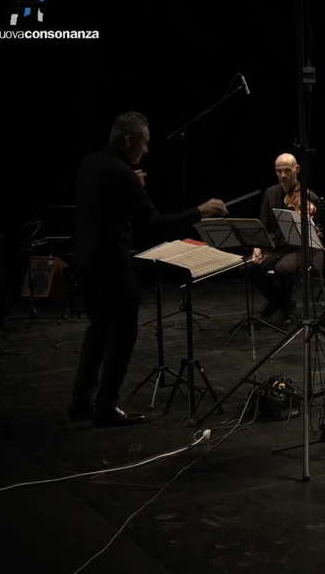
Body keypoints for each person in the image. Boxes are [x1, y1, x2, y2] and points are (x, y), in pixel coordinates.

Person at [70, 112, 227, 427]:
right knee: (123, 332)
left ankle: (81, 402)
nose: (146, 151)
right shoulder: (123, 174)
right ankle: (106, 405)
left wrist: (130, 181)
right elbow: (154, 224)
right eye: (144, 143)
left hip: (85, 260)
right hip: (112, 264)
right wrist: (200, 211)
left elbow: (108, 199)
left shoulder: (92, 163)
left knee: (98, 329)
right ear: (129, 140)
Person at [248, 153, 323, 324]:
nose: (283, 175)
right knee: (249, 268)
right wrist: (257, 247)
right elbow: (264, 223)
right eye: (278, 171)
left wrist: (307, 215)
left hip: (301, 248)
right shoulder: (270, 193)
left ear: (297, 169)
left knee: (283, 269)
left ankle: (281, 304)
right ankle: (281, 302)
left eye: (287, 171)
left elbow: (315, 232)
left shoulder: (309, 197)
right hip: (276, 247)